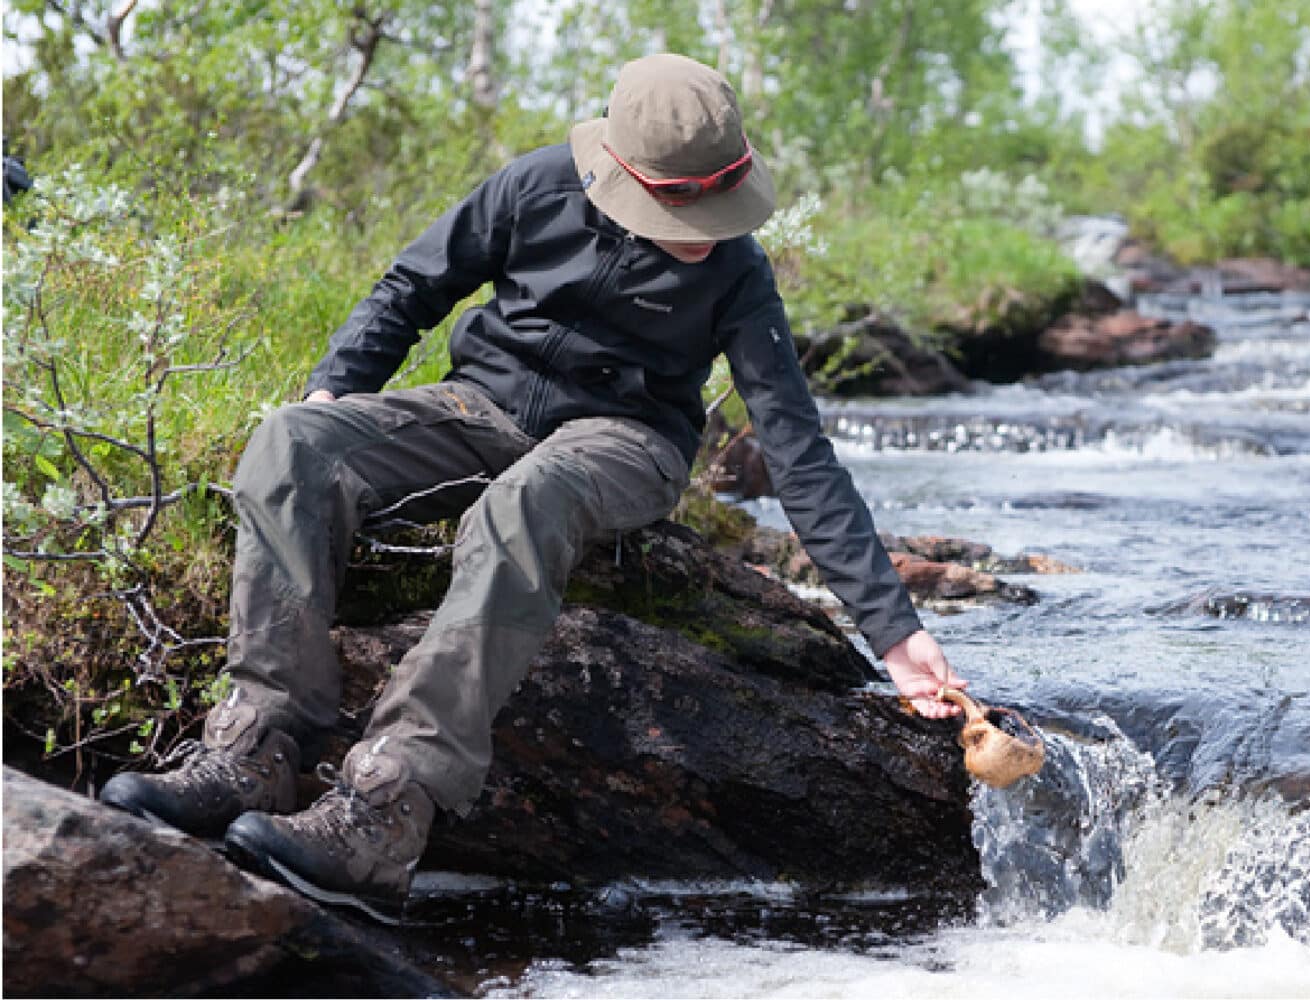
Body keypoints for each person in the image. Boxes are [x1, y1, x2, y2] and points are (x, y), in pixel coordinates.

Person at [99, 53, 967, 922]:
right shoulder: (536, 185)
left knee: (526, 499)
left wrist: (894, 632)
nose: (708, 226)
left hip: (627, 442)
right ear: (621, 173)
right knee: (292, 441)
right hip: (479, 404)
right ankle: (257, 742)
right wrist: (337, 386)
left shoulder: (738, 273)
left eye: (719, 199)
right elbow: (412, 287)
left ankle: (386, 809)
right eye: (682, 202)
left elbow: (799, 453)